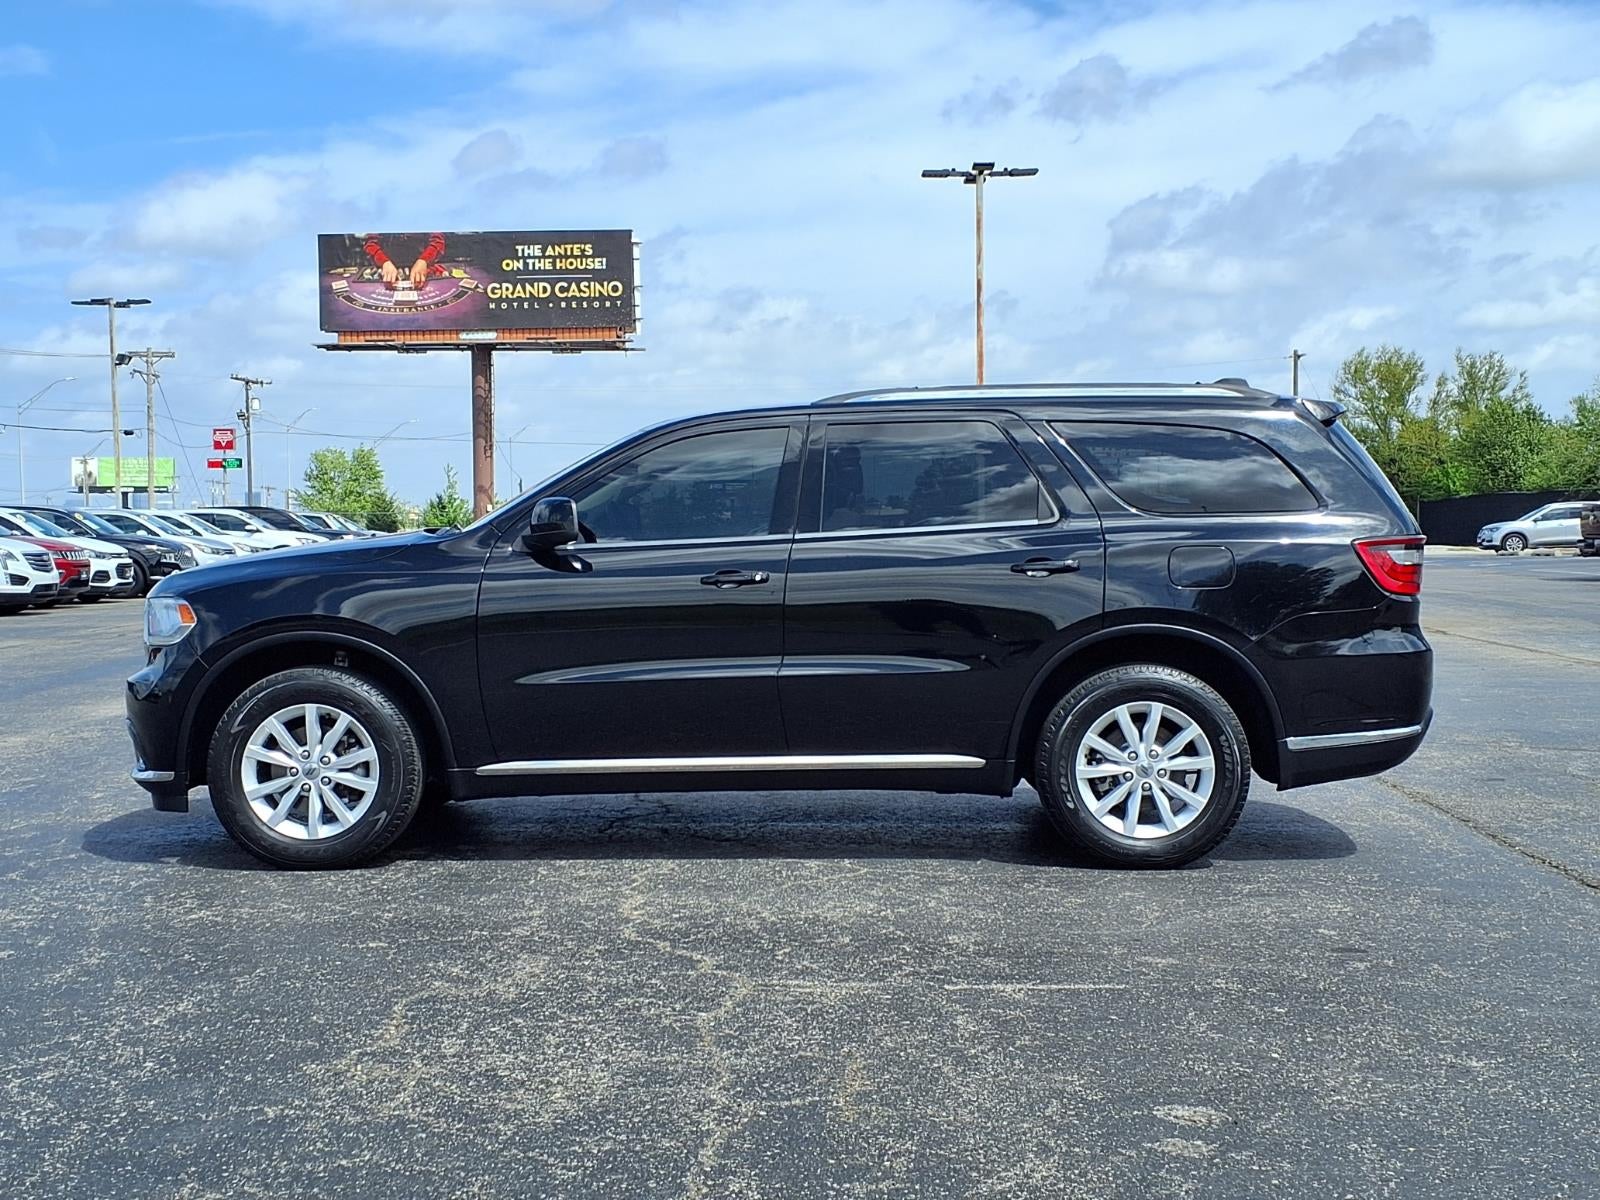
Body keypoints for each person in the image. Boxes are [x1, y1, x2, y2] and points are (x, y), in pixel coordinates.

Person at [363, 233, 447, 288]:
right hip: (387, 271)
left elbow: (437, 241)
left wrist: (423, 260)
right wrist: (384, 262)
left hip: (423, 270)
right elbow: (370, 244)